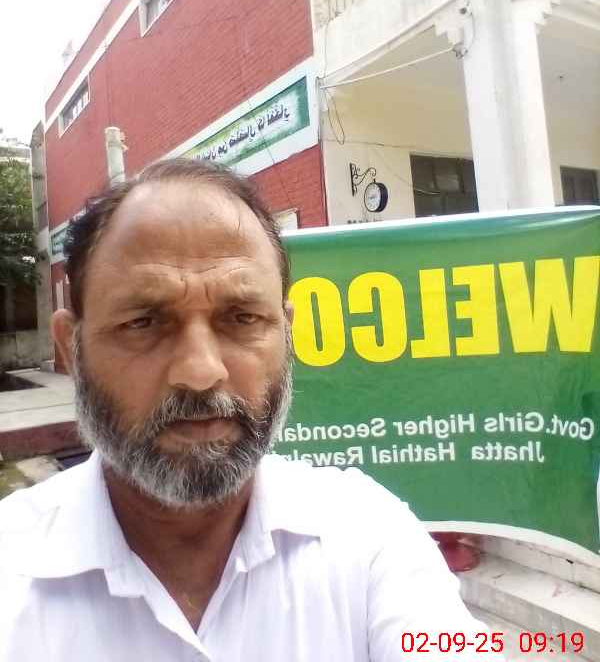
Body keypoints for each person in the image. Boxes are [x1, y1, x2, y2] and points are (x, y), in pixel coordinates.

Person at [0, 159, 497, 661]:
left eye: (242, 318)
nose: (201, 371)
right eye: (144, 322)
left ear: (287, 334)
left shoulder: (369, 532)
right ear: (72, 350)